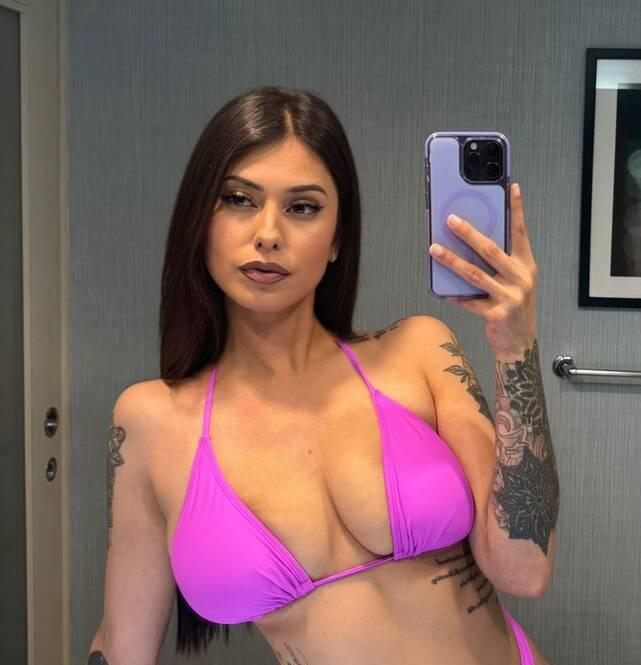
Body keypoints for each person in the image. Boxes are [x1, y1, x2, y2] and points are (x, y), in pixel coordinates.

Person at [88, 86, 558, 665]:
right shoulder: (150, 420)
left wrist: (516, 348)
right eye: (238, 199)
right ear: (200, 220)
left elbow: (524, 569)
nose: (268, 233)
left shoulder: (419, 351)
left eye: (302, 207)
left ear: (337, 237)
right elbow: (122, 646)